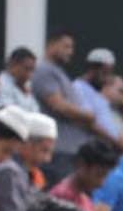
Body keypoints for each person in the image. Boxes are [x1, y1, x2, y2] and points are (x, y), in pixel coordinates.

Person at [30, 29, 91, 181]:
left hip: (70, 151)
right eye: (66, 46)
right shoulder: (45, 71)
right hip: (59, 151)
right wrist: (89, 116)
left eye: (71, 47)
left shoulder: (59, 72)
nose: (70, 52)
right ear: (51, 44)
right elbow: (58, 105)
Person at [0, 46, 39, 116]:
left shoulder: (26, 85)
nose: (30, 75)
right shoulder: (0, 83)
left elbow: (36, 111)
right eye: (27, 69)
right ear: (13, 64)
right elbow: (7, 112)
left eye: (32, 70)